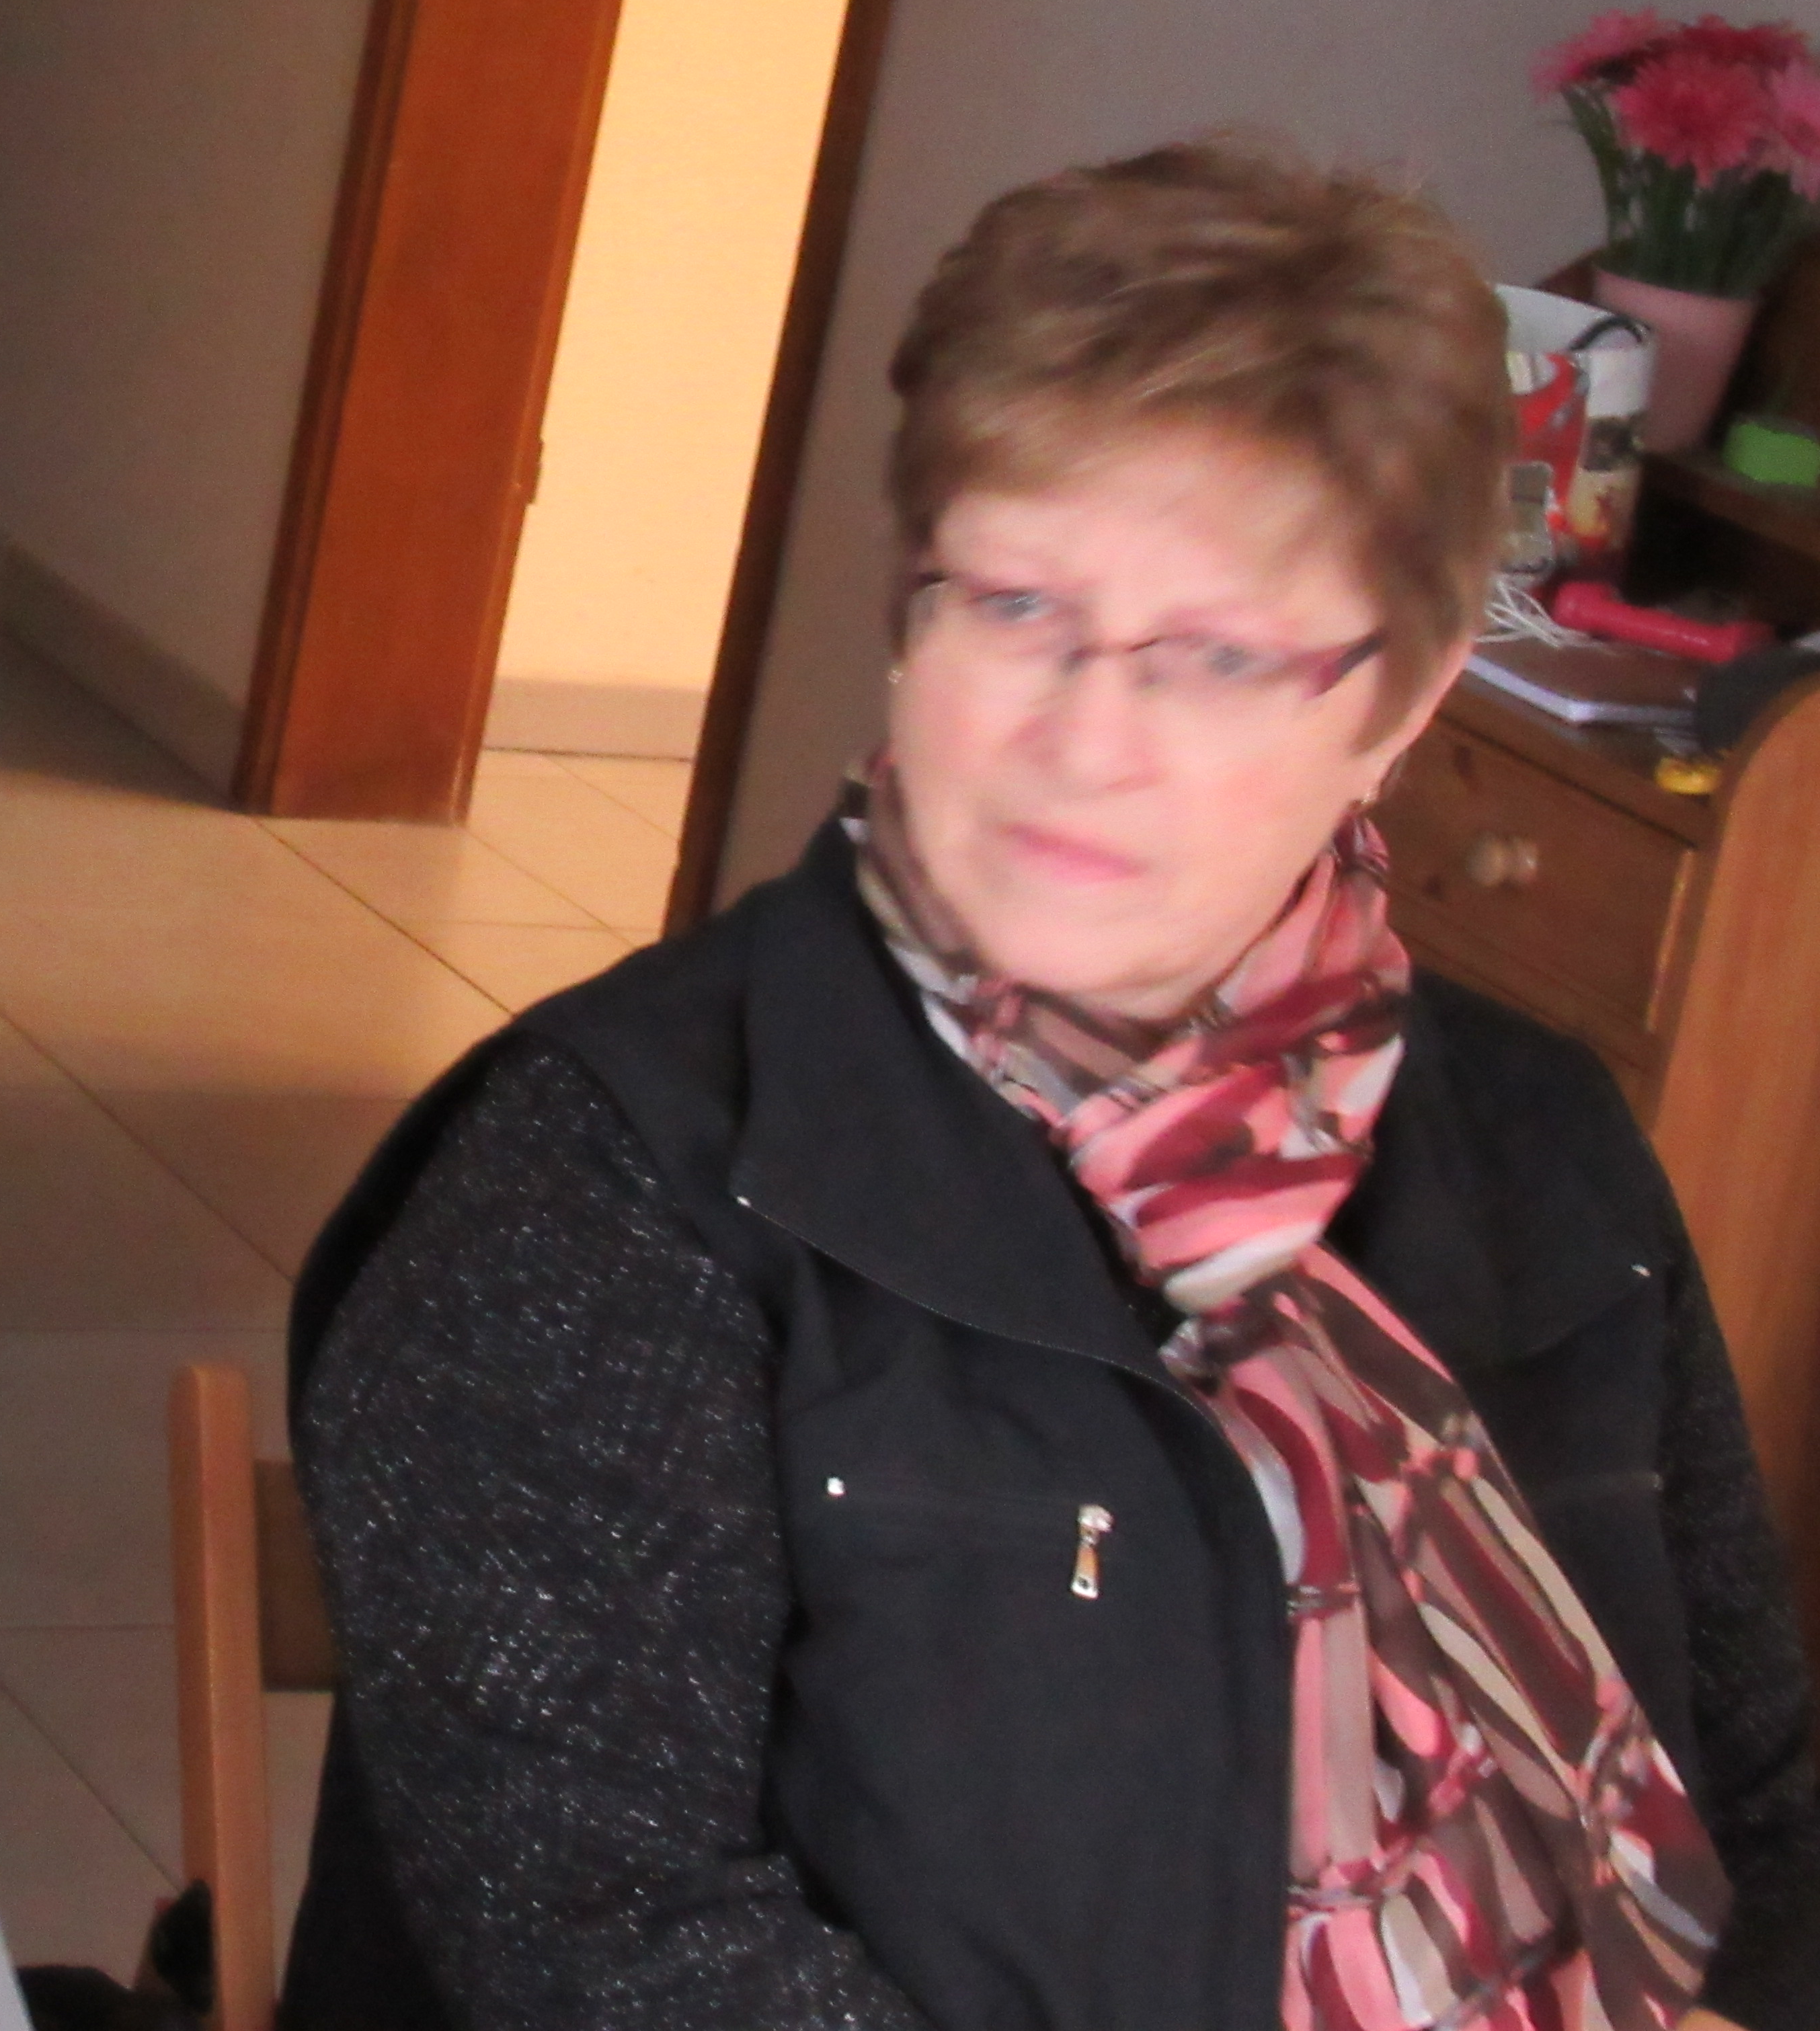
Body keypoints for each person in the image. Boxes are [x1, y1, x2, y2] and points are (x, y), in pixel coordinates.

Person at [286, 143, 1820, 2031]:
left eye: (1219, 655)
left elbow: (1763, 1808)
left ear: (1404, 700)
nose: (1086, 738)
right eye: (1013, 606)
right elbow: (608, 1948)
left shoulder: (1541, 1151)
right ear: (908, 611)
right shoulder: (604, 1182)